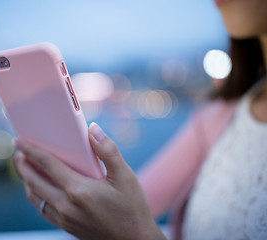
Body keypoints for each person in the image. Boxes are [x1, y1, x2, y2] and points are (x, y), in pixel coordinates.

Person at [14, 0, 267, 239]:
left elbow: (132, 219)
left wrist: (138, 233)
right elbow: (130, 202)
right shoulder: (218, 116)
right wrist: (71, 188)